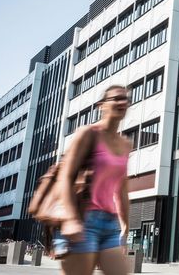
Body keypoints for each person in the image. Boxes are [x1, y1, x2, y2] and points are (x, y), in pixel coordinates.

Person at [54, 85, 132, 275]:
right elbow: (65, 176)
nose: (122, 102)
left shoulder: (125, 144)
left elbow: (121, 189)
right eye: (116, 98)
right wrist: (71, 219)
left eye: (125, 99)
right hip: (84, 220)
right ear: (101, 105)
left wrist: (125, 226)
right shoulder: (88, 133)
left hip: (110, 224)